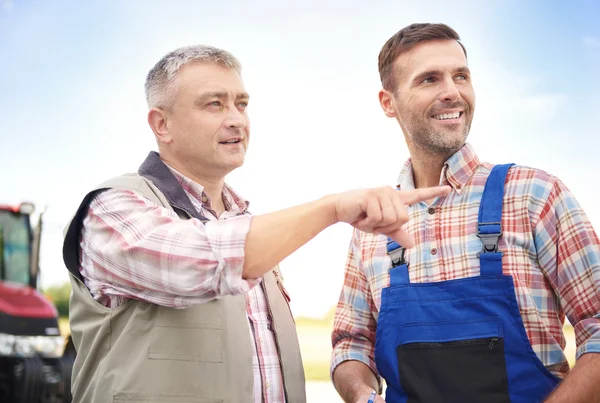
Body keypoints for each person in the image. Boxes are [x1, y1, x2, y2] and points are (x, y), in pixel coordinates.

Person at [61, 45, 449, 403]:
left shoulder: (247, 226)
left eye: (241, 104)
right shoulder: (112, 209)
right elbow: (197, 258)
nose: (235, 119)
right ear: (162, 125)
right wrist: (332, 209)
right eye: (213, 105)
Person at [331, 23, 600, 403]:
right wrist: (361, 394)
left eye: (461, 76)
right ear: (388, 102)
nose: (452, 92)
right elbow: (351, 343)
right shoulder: (372, 226)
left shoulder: (534, 195)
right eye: (429, 79)